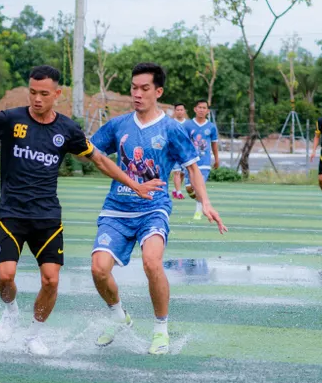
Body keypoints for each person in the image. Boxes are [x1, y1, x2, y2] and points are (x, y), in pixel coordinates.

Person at [0, 65, 163, 356]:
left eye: (44, 93)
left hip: (47, 217)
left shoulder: (67, 129)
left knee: (51, 279)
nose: (37, 98)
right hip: (11, 215)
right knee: (5, 276)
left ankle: (34, 335)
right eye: (32, 92)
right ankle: (10, 311)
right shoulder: (9, 119)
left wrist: (135, 185)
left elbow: (100, 160)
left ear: (57, 94)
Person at [90, 64, 227, 355]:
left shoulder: (172, 129)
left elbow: (192, 169)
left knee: (152, 262)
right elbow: (92, 153)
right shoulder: (118, 125)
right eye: (133, 88)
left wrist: (206, 202)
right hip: (116, 208)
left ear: (158, 92)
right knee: (98, 270)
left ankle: (160, 330)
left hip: (154, 208)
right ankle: (119, 318)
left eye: (144, 88)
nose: (137, 94)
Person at [181, 100, 220, 219]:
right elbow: (182, 142)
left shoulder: (211, 127)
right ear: (195, 109)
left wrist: (217, 159)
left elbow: (214, 144)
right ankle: (199, 201)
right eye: (200, 107)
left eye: (204, 108)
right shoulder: (187, 125)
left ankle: (199, 210)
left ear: (207, 111)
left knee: (200, 185)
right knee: (189, 188)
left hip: (204, 162)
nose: (202, 110)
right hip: (190, 162)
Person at [170, 103, 190, 200]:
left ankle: (175, 190)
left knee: (182, 173)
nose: (179, 112)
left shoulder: (188, 124)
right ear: (175, 111)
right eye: (177, 110)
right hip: (174, 152)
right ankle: (179, 192)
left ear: (184, 111)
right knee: (177, 172)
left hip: (185, 153)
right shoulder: (170, 123)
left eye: (181, 110)